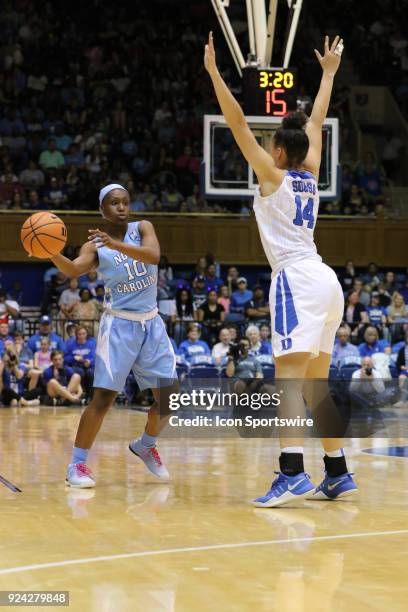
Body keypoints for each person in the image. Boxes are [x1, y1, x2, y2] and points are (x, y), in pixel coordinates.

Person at [205, 31, 357, 506]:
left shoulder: (273, 176)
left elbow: (236, 125)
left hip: (296, 277)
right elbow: (316, 120)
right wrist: (328, 74)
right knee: (316, 387)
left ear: (277, 154)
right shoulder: (310, 174)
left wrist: (213, 73)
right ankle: (337, 472)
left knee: (290, 384)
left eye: (270, 145)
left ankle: (291, 472)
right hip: (325, 280)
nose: (265, 149)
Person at [40, 183, 177, 487]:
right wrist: (51, 252)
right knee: (103, 398)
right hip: (119, 325)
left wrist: (115, 245)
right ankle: (77, 465)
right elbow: (73, 270)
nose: (122, 208)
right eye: (114, 203)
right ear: (102, 209)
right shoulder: (94, 246)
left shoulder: (143, 227)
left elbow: (153, 256)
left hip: (151, 324)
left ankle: (145, 445)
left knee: (169, 400)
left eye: (126, 202)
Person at [64, 325, 96, 397]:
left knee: (91, 373)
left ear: (86, 334)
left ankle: (90, 396)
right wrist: (73, 358)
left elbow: (94, 357)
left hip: (88, 366)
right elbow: (65, 358)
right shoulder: (70, 344)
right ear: (76, 335)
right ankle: (80, 394)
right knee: (80, 372)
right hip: (75, 365)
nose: (81, 336)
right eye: (79, 334)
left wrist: (89, 361)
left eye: (83, 334)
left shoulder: (91, 344)